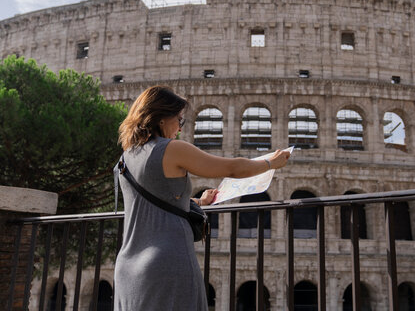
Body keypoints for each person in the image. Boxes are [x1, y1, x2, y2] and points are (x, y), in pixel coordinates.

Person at [114, 85, 290, 311]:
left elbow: (150, 205)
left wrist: (199, 202)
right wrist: (270, 163)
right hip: (166, 261)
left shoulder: (126, 157)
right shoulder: (171, 149)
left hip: (128, 265)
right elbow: (232, 168)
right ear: (161, 118)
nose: (179, 128)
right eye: (179, 120)